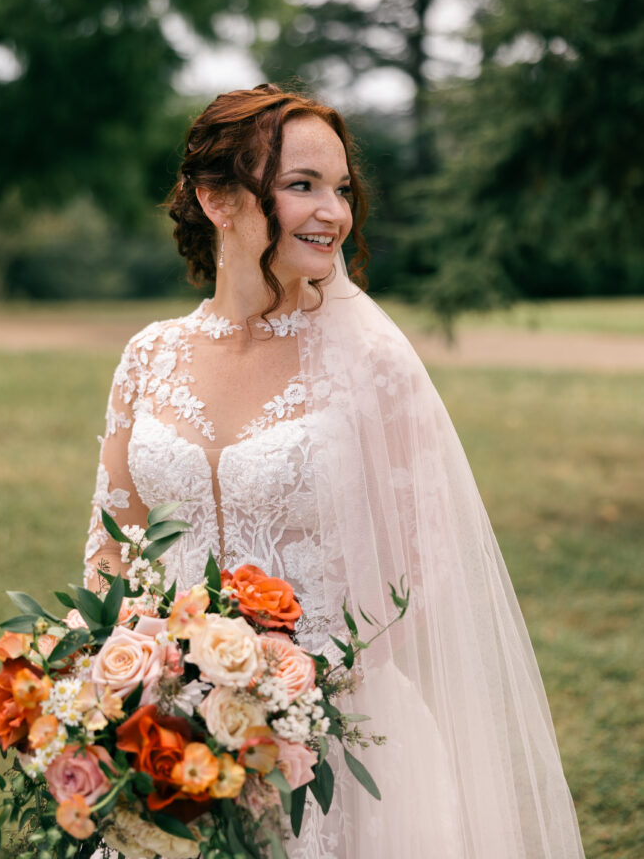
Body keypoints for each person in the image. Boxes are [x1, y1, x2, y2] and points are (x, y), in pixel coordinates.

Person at [84, 83, 585, 858]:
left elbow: (422, 572)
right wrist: (129, 689)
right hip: (167, 739)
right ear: (216, 198)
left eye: (341, 188)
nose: (334, 213)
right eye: (300, 186)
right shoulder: (148, 357)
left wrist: (286, 696)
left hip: (332, 746)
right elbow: (113, 548)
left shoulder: (368, 361)